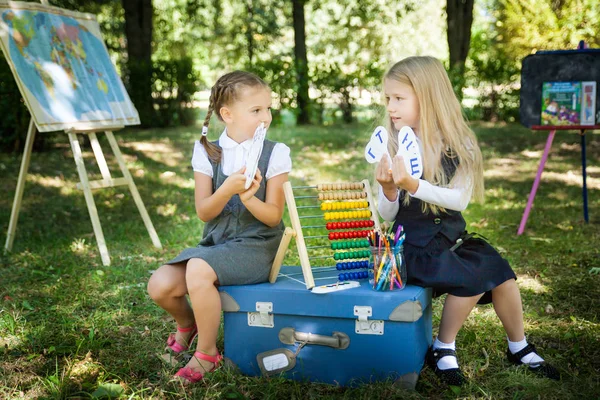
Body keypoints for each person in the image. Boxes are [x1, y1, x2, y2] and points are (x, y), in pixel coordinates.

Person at [375, 56, 559, 385]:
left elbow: (459, 199)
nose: (391, 106)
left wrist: (414, 185)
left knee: (501, 273)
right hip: (413, 249)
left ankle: (518, 346)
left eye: (399, 98)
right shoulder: (391, 146)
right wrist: (389, 189)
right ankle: (443, 347)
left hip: (451, 240)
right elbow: (387, 215)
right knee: (471, 276)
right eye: (388, 98)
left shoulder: (460, 145)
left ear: (428, 97)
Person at [147, 71, 291, 384]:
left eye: (268, 108)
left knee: (197, 269)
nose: (265, 117)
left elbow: (274, 218)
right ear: (227, 114)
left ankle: (208, 354)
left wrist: (249, 198)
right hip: (216, 244)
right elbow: (203, 211)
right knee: (160, 285)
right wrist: (227, 188)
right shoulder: (207, 151)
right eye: (256, 111)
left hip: (258, 246)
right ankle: (187, 325)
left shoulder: (275, 153)